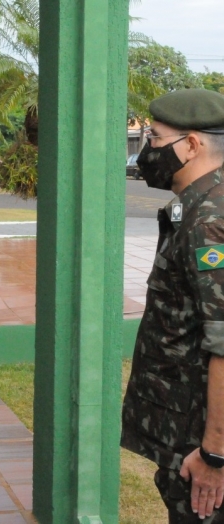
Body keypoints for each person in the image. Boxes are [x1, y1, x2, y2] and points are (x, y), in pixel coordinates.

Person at [122, 88, 224, 523]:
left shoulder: (210, 222)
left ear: (193, 144)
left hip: (201, 443)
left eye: (156, 139)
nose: (148, 150)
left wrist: (214, 456)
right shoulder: (195, 208)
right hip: (186, 429)